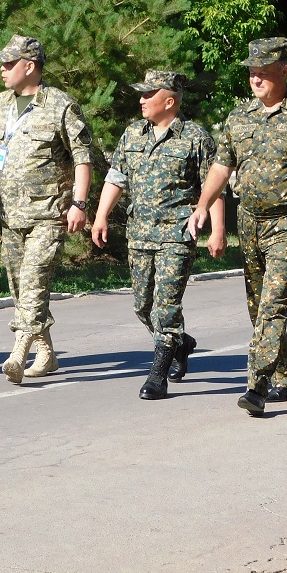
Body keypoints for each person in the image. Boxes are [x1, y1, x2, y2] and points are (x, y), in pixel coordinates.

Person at [187, 37, 287, 416]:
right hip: (249, 221)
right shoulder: (239, 117)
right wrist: (203, 205)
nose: (255, 79)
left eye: (264, 72)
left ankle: (256, 385)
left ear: (284, 71)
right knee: (258, 307)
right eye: (252, 72)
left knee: (273, 303)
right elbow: (222, 166)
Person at [0, 35, 93, 384]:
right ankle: (47, 353)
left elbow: (82, 158)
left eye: (9, 63)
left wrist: (79, 203)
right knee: (23, 290)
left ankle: (18, 352)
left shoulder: (60, 105)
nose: (2, 69)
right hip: (9, 215)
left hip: (49, 214)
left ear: (30, 66)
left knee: (34, 282)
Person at [91, 70, 226, 400]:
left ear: (169, 101)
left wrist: (218, 230)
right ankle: (181, 342)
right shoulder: (132, 134)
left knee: (166, 307)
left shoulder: (195, 138)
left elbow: (215, 187)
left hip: (177, 234)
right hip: (139, 234)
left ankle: (157, 376)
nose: (141, 100)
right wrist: (101, 216)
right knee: (143, 306)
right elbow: (116, 177)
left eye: (148, 94)